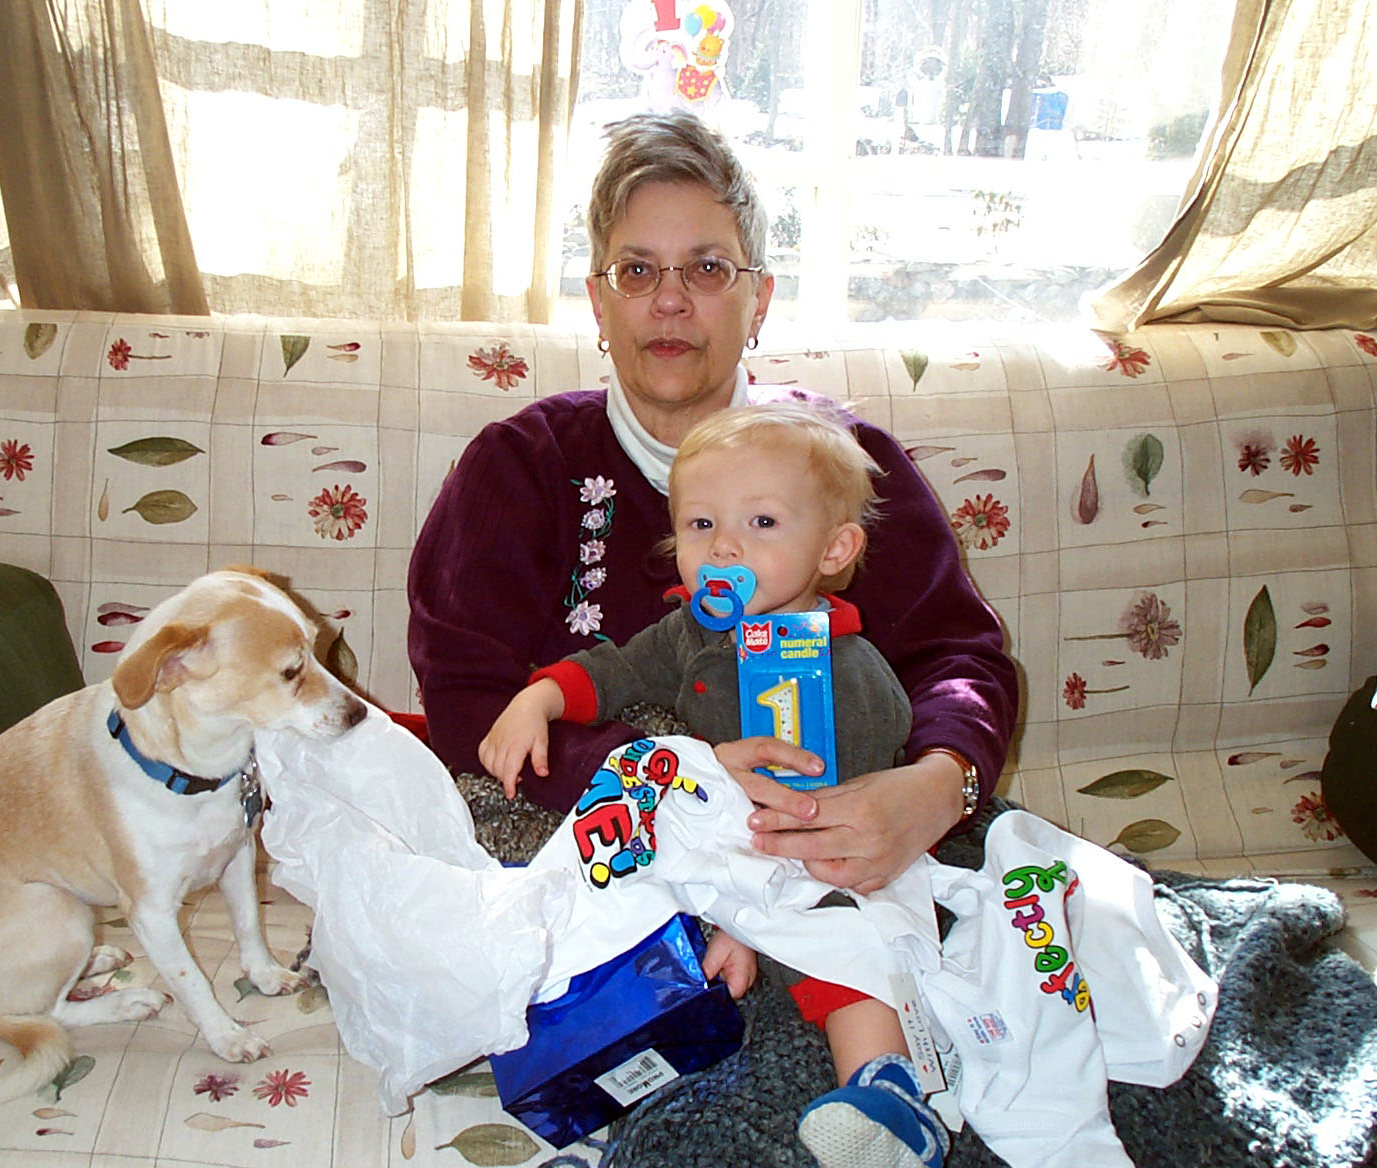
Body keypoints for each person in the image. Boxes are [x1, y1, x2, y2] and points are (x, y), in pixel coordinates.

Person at [406, 108, 1017, 898]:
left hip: (834, 849)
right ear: (597, 302)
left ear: (758, 299)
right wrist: (674, 781)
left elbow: (960, 662)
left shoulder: (846, 466)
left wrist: (936, 789)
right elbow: (466, 699)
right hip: (599, 855)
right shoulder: (519, 467)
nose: (670, 301)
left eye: (706, 268)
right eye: (637, 271)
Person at [479, 401, 947, 1168]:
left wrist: (749, 917)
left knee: (847, 941)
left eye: (762, 522)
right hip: (709, 841)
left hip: (821, 851)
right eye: (701, 525)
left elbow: (843, 817)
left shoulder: (848, 670)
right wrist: (540, 699)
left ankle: (883, 1091)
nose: (724, 545)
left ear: (834, 549)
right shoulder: (695, 632)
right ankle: (603, 1090)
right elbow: (614, 670)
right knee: (611, 901)